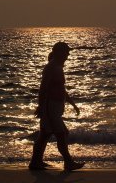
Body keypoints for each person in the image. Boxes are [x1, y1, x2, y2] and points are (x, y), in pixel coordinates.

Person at [29, 42, 85, 171]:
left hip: (55, 107)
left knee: (45, 134)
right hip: (50, 107)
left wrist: (73, 105)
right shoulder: (51, 67)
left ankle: (35, 162)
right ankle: (68, 162)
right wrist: (42, 108)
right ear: (59, 52)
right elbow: (43, 89)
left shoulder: (58, 67)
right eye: (66, 52)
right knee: (61, 133)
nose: (68, 55)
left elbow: (61, 89)